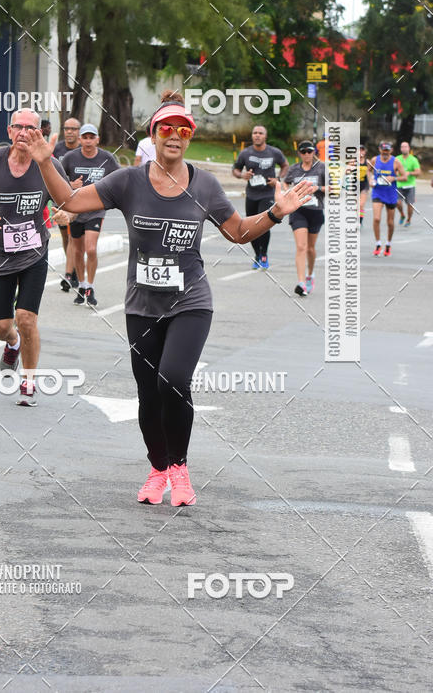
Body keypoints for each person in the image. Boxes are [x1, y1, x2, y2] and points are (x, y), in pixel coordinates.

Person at [27, 96, 315, 506]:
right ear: (154, 135)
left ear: (190, 138)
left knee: (174, 379)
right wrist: (43, 162)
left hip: (190, 301)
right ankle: (157, 468)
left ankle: (179, 469)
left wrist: (275, 212)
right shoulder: (128, 181)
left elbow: (236, 232)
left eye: (184, 130)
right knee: (148, 393)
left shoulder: (204, 185)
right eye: (167, 128)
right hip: (141, 305)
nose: (175, 136)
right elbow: (71, 203)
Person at [0, 109, 68, 406]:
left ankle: (29, 382)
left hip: (34, 252)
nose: (23, 133)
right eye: (18, 127)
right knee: (0, 327)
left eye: (30, 128)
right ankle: (13, 343)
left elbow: (68, 201)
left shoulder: (48, 164)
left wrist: (66, 212)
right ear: (9, 132)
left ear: (40, 134)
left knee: (26, 318)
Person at [60, 123, 119, 307]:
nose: (87, 141)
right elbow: (58, 181)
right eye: (84, 137)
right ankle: (81, 285)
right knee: (77, 250)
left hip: (96, 209)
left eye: (91, 137)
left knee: (91, 249)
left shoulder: (107, 158)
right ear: (80, 140)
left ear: (97, 139)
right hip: (76, 211)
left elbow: (118, 180)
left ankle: (90, 286)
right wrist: (71, 185)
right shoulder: (70, 158)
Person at [232, 125, 289, 269]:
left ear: (265, 136)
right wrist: (242, 175)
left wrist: (278, 179)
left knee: (264, 224)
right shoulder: (246, 153)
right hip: (251, 194)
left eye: (260, 133)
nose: (257, 135)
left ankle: (264, 254)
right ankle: (257, 254)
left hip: (268, 194)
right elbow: (236, 169)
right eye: (255, 133)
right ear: (252, 136)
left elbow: (285, 165)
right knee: (250, 227)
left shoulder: (274, 152)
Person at [283, 141, 327, 296]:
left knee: (310, 248)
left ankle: (310, 274)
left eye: (309, 151)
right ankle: (301, 282)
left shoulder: (321, 168)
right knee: (301, 246)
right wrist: (288, 192)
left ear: (314, 152)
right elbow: (286, 183)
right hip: (298, 211)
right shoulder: (294, 169)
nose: (307, 154)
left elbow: (335, 188)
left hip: (316, 211)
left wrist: (318, 188)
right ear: (299, 154)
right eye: (303, 152)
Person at [52, 117, 81, 291]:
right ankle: (73, 269)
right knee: (65, 237)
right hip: (60, 199)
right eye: (66, 128)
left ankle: (70, 273)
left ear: (79, 131)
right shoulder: (57, 149)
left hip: (80, 200)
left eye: (73, 129)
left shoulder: (84, 147)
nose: (69, 131)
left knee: (73, 237)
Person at [368, 141, 407, 257]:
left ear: (391, 151)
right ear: (380, 150)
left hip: (391, 194)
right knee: (376, 219)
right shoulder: (375, 160)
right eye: (383, 151)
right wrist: (370, 180)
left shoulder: (396, 162)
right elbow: (368, 171)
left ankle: (388, 244)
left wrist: (393, 178)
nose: (385, 153)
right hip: (378, 193)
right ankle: (378, 243)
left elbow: (404, 177)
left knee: (390, 222)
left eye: (387, 151)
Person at [396, 141, 421, 227]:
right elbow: (393, 169)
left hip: (410, 185)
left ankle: (409, 219)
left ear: (409, 148)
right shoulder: (397, 158)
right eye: (402, 147)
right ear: (400, 148)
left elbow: (418, 172)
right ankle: (402, 215)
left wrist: (409, 173)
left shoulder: (414, 159)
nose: (404, 148)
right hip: (399, 184)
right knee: (397, 202)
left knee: (410, 205)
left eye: (406, 147)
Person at [359, 144, 369, 226]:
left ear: (365, 152)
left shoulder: (367, 162)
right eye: (358, 150)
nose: (360, 152)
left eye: (362, 150)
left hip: (364, 185)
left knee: (361, 204)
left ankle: (360, 221)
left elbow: (370, 174)